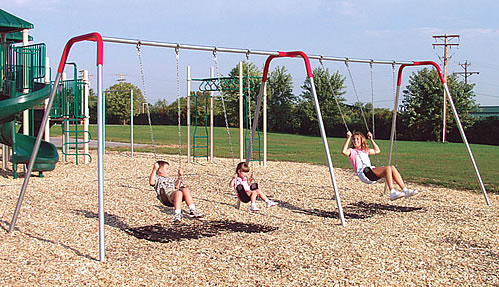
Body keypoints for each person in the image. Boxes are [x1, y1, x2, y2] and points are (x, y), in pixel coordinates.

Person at [341, 131, 418, 201]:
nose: (355, 141)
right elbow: (344, 152)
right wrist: (348, 138)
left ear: (362, 141)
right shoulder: (352, 151)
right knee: (387, 168)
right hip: (364, 173)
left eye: (358, 139)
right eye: (354, 139)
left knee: (392, 168)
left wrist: (371, 139)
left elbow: (377, 150)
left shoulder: (365, 151)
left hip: (370, 173)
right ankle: (392, 192)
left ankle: (405, 190)